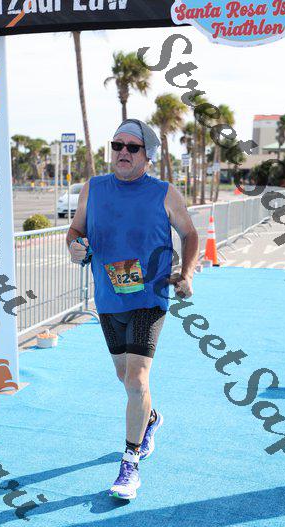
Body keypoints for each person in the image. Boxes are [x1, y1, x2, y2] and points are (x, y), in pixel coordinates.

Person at [66, 119, 199, 500]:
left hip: (149, 298)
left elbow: (190, 233)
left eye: (132, 147)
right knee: (125, 378)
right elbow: (75, 230)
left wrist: (187, 273)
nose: (123, 152)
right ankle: (150, 419)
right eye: (117, 145)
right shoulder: (93, 188)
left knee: (138, 380)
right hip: (109, 298)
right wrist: (74, 246)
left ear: (147, 155)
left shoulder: (164, 193)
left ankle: (130, 463)